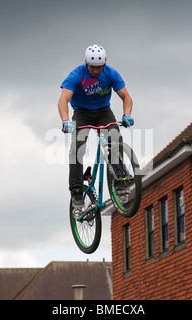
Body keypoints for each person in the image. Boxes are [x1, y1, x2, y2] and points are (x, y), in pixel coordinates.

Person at [58, 44, 134, 208]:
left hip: (103, 111)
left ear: (104, 63)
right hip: (82, 113)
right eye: (92, 67)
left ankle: (120, 179)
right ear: (87, 64)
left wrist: (127, 114)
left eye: (99, 67)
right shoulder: (76, 75)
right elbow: (63, 99)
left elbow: (126, 97)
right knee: (77, 148)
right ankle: (76, 190)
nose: (96, 70)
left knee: (114, 139)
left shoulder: (111, 73)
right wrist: (65, 121)